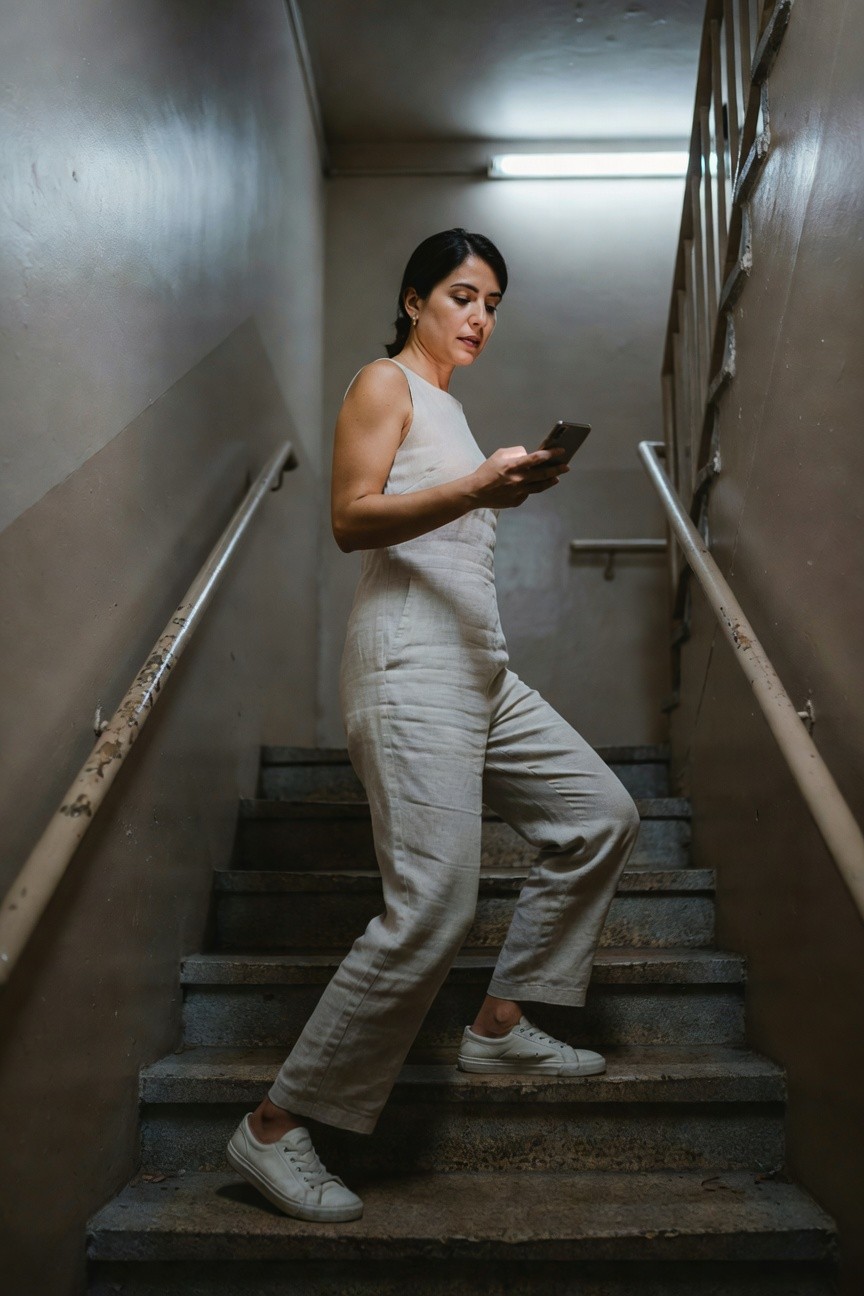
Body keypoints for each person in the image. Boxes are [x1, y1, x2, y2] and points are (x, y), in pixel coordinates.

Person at [226, 228, 640, 1222]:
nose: (480, 317)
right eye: (462, 295)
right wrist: (482, 485)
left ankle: (500, 1020)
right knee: (433, 908)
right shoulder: (384, 384)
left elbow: (441, 519)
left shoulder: (451, 411)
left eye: (493, 303)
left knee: (600, 814)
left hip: (480, 669)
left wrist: (497, 481)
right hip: (409, 661)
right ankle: (275, 1126)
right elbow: (351, 517)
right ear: (414, 300)